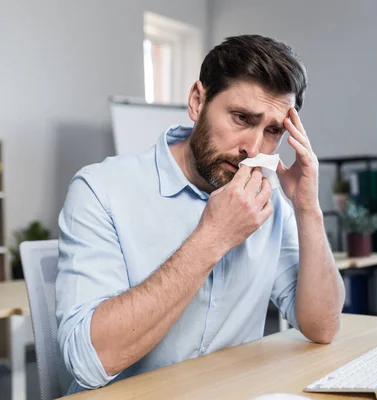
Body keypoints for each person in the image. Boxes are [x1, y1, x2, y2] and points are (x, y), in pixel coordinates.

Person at [55, 34, 345, 393]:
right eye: (241, 118)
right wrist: (214, 237)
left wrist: (307, 208)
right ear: (197, 101)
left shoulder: (267, 198)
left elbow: (322, 326)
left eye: (272, 131)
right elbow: (89, 360)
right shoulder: (101, 189)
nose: (252, 148)